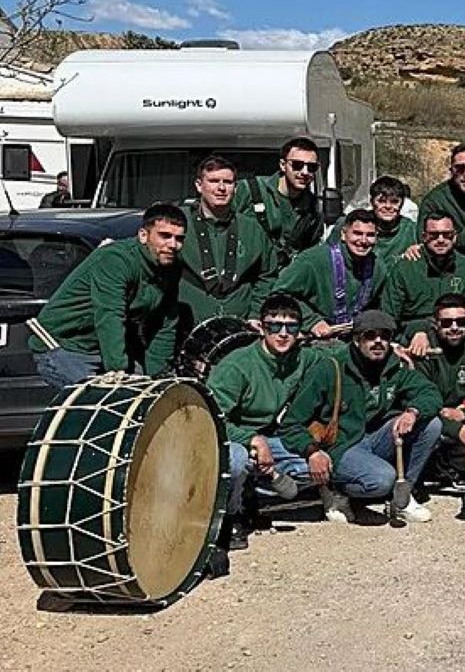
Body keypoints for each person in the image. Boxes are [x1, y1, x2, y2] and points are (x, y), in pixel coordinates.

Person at [279, 310, 442, 525]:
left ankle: (402, 497)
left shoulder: (394, 366)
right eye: (370, 336)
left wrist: (412, 412)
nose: (378, 342)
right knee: (382, 479)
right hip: (341, 445)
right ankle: (335, 490)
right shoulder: (330, 368)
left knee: (431, 424)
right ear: (356, 340)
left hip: (376, 437)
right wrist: (312, 452)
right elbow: (291, 423)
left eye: (384, 336)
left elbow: (430, 393)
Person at [207, 294, 325, 549]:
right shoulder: (237, 366)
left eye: (291, 327)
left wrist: (393, 349)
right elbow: (211, 420)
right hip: (230, 438)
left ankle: (255, 491)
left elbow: (337, 356)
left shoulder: (301, 357)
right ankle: (232, 515)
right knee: (237, 461)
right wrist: (252, 439)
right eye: (274, 326)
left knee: (320, 467)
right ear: (261, 327)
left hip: (272, 437)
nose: (283, 334)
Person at [30, 203, 185, 386]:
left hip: (103, 349)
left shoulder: (171, 267)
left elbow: (165, 322)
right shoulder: (116, 260)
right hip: (65, 345)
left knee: (147, 399)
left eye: (179, 238)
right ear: (143, 235)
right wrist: (117, 369)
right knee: (103, 402)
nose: (173, 245)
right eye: (165, 236)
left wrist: (158, 378)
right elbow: (109, 314)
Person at [177, 155, 278, 327]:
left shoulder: (252, 229)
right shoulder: (178, 224)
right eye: (214, 181)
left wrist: (256, 313)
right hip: (185, 326)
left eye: (228, 182)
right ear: (199, 186)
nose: (221, 188)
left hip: (240, 327)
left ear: (236, 187)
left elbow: (267, 275)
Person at [409, 295, 465, 481]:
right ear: (436, 324)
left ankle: (459, 467)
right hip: (431, 418)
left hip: (459, 413)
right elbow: (417, 403)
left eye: (461, 322)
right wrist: (457, 430)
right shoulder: (425, 351)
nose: (455, 327)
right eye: (447, 323)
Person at [275, 209, 387, 337]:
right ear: (343, 234)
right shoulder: (313, 260)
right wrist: (312, 321)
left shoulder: (378, 266)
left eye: (370, 235)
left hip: (355, 337)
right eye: (357, 233)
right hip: (313, 337)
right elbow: (280, 295)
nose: (363, 240)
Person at [384, 212, 465, 340]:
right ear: (424, 237)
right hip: (413, 335)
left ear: (454, 236)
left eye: (447, 234)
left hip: (455, 332)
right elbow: (389, 317)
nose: (441, 240)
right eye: (434, 235)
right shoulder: (404, 269)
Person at [233, 137, 324, 265]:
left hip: (285, 279)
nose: (305, 172)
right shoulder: (250, 190)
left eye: (312, 167)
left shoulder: (313, 207)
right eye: (297, 165)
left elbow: (311, 253)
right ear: (283, 165)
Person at [329, 176, 417, 263]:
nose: (388, 206)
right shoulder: (350, 224)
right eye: (382, 201)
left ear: (402, 204)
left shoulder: (412, 230)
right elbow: (326, 253)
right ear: (372, 202)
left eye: (394, 202)